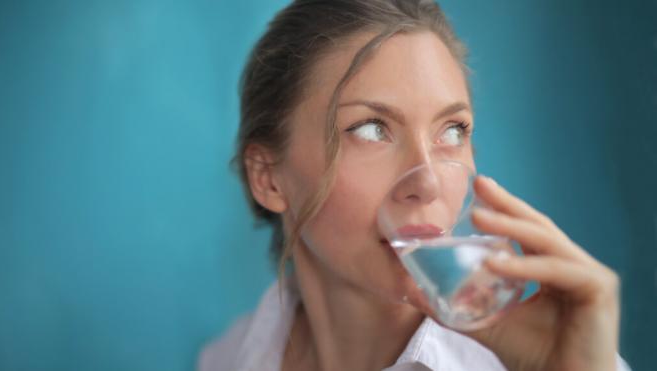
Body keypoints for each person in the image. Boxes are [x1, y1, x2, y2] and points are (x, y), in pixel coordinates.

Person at [199, 1, 630, 370]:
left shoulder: (564, 360)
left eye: (452, 131)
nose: (427, 182)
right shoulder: (230, 356)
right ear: (268, 177)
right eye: (370, 129)